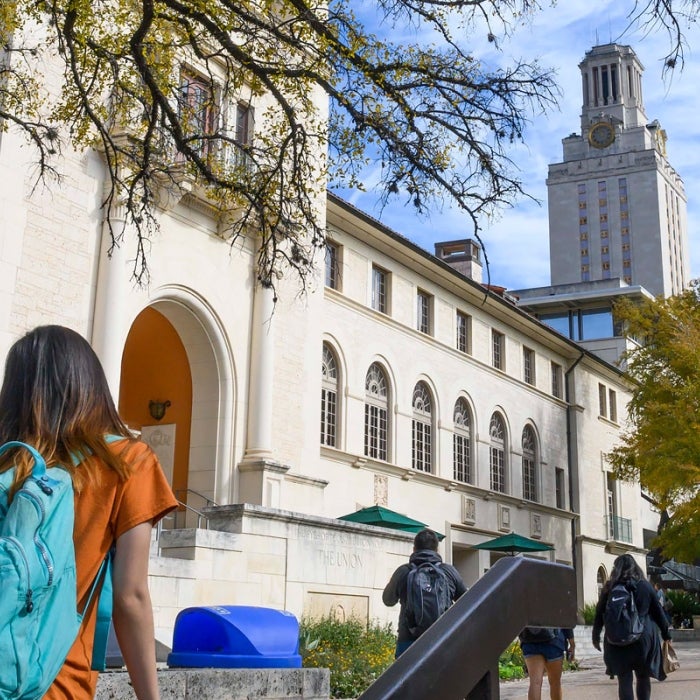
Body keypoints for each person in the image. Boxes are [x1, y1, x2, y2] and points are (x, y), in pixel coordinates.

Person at [0, 325, 178, 700]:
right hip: (52, 681)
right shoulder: (126, 462)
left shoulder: (7, 465)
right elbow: (130, 597)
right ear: (89, 385)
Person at [592, 554, 671, 700]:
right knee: (642, 677)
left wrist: (595, 636)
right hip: (642, 640)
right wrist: (667, 635)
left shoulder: (610, 587)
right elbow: (658, 613)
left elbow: (599, 614)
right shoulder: (644, 585)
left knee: (624, 680)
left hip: (617, 640)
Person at [382, 528, 467, 657]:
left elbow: (387, 600)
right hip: (442, 638)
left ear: (414, 549)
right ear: (437, 549)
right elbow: (466, 601)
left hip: (408, 639)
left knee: (406, 676)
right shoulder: (449, 571)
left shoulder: (403, 571)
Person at [518, 627, 575, 700]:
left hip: (529, 640)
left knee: (535, 683)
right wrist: (572, 642)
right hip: (554, 641)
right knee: (555, 683)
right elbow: (565, 617)